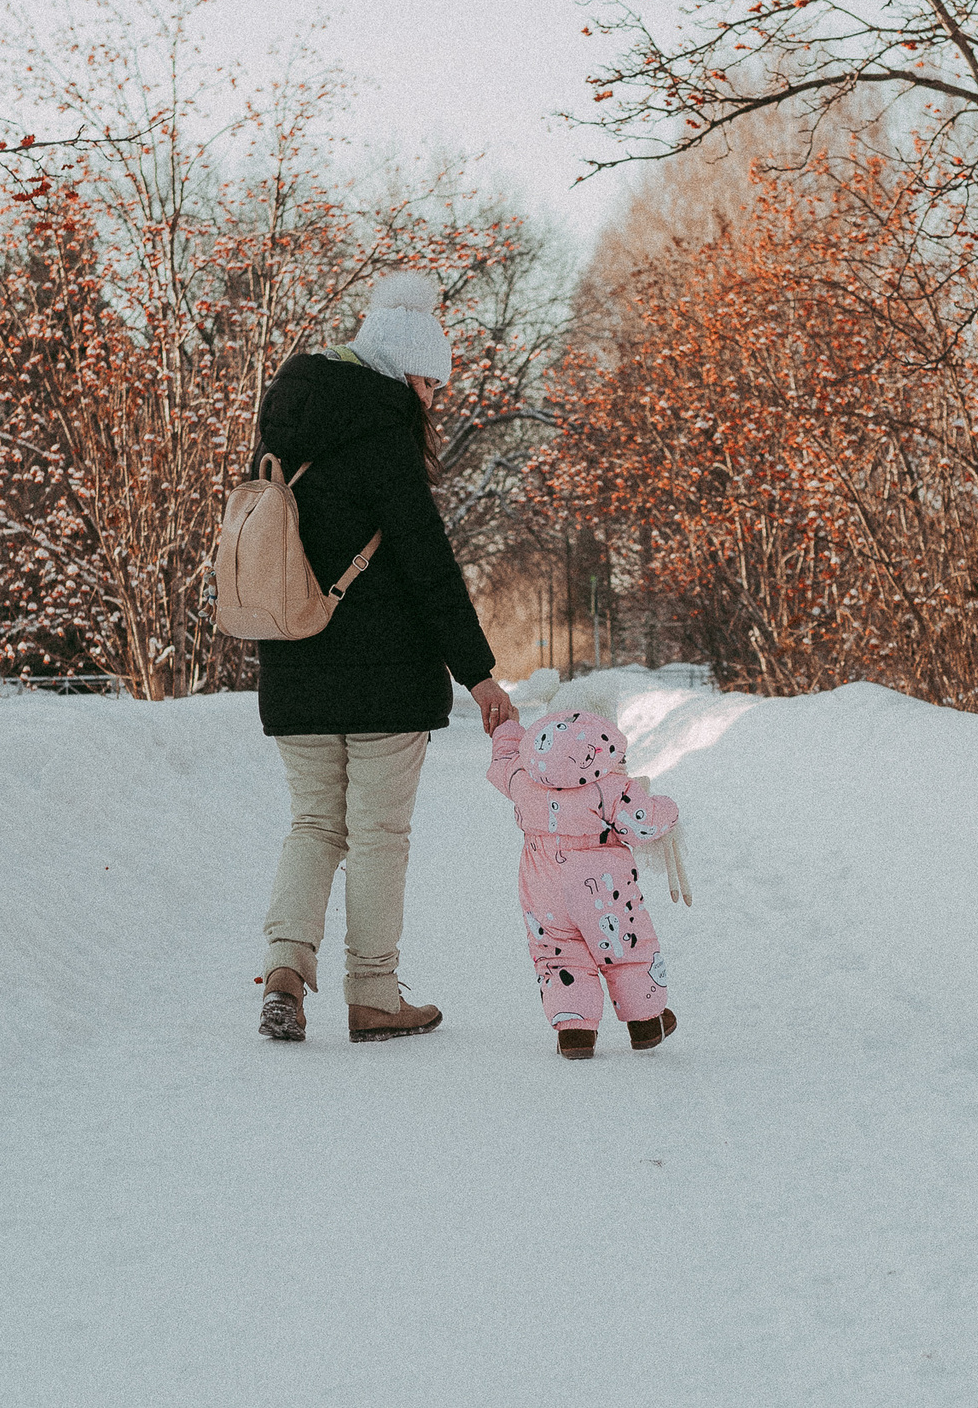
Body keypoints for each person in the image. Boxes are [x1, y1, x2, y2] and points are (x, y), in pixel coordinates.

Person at [253, 271, 516, 1046]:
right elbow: (426, 560)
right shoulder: (384, 431)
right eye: (429, 379)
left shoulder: (283, 423)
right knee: (376, 834)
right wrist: (478, 671)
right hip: (388, 677)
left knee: (312, 823)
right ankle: (372, 992)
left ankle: (282, 972)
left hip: (293, 661)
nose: (432, 398)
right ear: (405, 371)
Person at [485, 703, 680, 1060]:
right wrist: (668, 808)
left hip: (543, 888)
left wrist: (508, 730)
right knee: (624, 947)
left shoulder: (522, 779)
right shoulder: (611, 788)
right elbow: (644, 824)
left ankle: (575, 1032)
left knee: (558, 954)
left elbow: (502, 761)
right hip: (603, 889)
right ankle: (646, 1021)